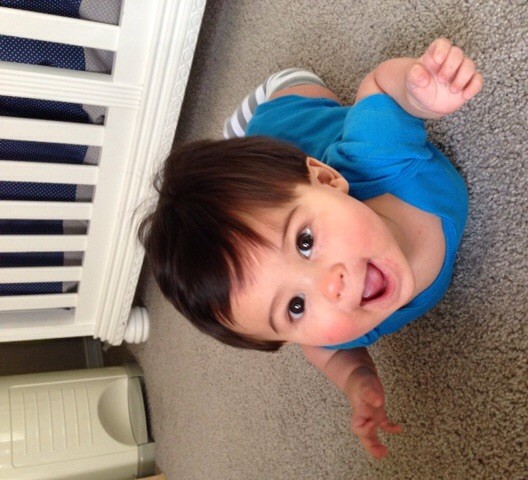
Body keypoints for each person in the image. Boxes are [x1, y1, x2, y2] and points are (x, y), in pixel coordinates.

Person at [139, 38, 483, 459]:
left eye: (305, 242)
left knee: (276, 108)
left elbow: (379, 87)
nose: (329, 286)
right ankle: (234, 149)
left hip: (285, 112)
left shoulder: (376, 156)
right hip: (270, 170)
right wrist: (357, 378)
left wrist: (416, 93)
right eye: (295, 307)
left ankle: (237, 134)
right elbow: (323, 351)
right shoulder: (340, 327)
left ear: (326, 179)